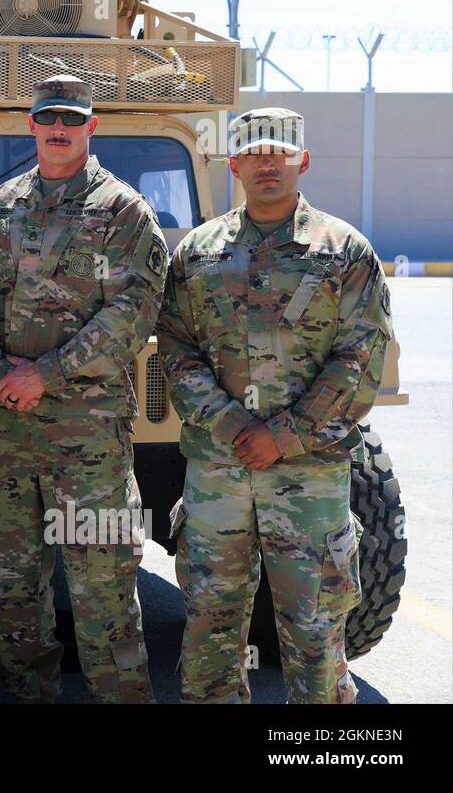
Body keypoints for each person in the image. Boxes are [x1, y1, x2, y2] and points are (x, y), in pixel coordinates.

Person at [156, 107, 393, 703]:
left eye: (280, 153)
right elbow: (177, 351)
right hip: (219, 472)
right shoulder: (197, 253)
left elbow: (360, 358)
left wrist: (282, 436)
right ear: (233, 164)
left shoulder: (345, 252)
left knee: (314, 630)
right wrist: (233, 423)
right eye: (255, 153)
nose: (268, 163)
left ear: (302, 161)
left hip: (308, 476)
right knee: (210, 624)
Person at [0, 75, 165, 702]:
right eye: (47, 117)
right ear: (31, 124)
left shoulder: (124, 212)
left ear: (90, 127)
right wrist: (0, 371)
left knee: (101, 587)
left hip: (89, 436)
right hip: (12, 431)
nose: (58, 129)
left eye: (71, 119)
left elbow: (131, 314)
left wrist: (43, 374)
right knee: (13, 588)